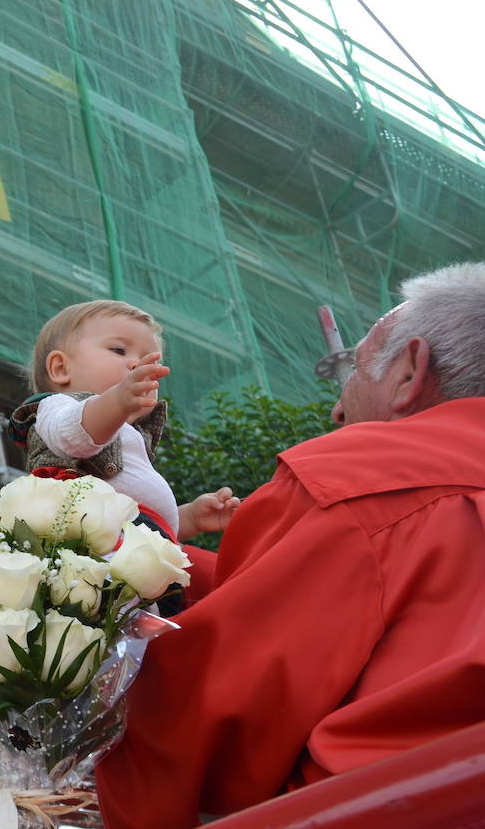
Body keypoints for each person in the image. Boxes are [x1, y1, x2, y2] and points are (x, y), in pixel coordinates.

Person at [96, 262, 485, 827]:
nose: (336, 409)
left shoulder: (365, 481)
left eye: (351, 370)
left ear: (409, 372)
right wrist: (141, 554)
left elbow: (207, 731)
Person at [9, 300, 238, 541]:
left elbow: (145, 516)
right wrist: (117, 400)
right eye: (118, 350)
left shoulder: (132, 435)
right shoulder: (57, 406)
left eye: (151, 361)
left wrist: (189, 518)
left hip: (138, 542)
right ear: (60, 368)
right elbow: (72, 436)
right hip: (88, 540)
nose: (137, 364)